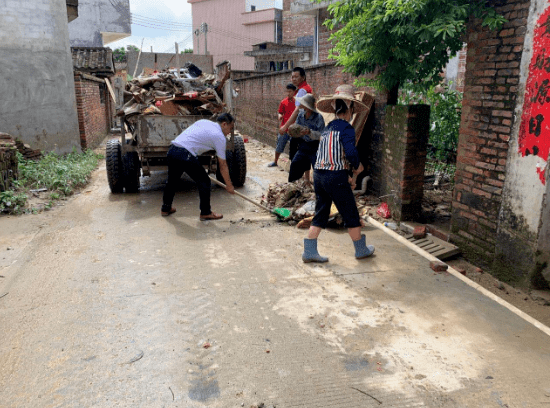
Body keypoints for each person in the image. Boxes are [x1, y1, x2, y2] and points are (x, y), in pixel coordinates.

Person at [302, 85, 375, 263]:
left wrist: (347, 175)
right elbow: (350, 152)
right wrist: (357, 167)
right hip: (334, 176)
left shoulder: (328, 129)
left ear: (335, 107)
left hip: (319, 175)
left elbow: (331, 155)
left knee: (321, 212)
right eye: (352, 109)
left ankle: (309, 251)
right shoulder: (347, 128)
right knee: (350, 213)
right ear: (349, 108)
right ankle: (361, 249)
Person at [161, 113, 235, 220]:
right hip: (185, 154)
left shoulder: (204, 122)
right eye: (230, 128)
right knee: (204, 181)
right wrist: (229, 185)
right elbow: (223, 165)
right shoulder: (219, 137)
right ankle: (205, 212)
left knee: (172, 181)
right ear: (224, 124)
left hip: (173, 150)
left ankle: (165, 208)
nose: (230, 132)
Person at [288, 93, 325, 183]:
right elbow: (297, 127)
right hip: (303, 145)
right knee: (295, 164)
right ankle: (292, 187)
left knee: (318, 170)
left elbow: (322, 135)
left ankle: (320, 191)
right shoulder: (301, 115)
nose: (301, 105)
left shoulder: (318, 117)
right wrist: (293, 132)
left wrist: (309, 132)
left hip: (315, 147)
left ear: (308, 106)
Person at [279, 67, 313, 162]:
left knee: (296, 152)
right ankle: (305, 176)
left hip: (302, 125)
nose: (293, 79)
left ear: (303, 77)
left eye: (296, 77)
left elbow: (297, 110)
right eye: (292, 77)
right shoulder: (308, 88)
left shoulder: (302, 91)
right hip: (308, 124)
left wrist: (285, 126)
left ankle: (296, 174)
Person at [268, 83, 297, 167]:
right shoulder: (283, 102)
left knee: (294, 148)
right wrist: (280, 116)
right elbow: (280, 112)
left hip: (295, 129)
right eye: (287, 91)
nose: (288, 93)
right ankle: (275, 161)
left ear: (294, 92)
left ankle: (293, 165)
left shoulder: (298, 103)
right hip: (284, 128)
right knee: (279, 145)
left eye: (290, 91)